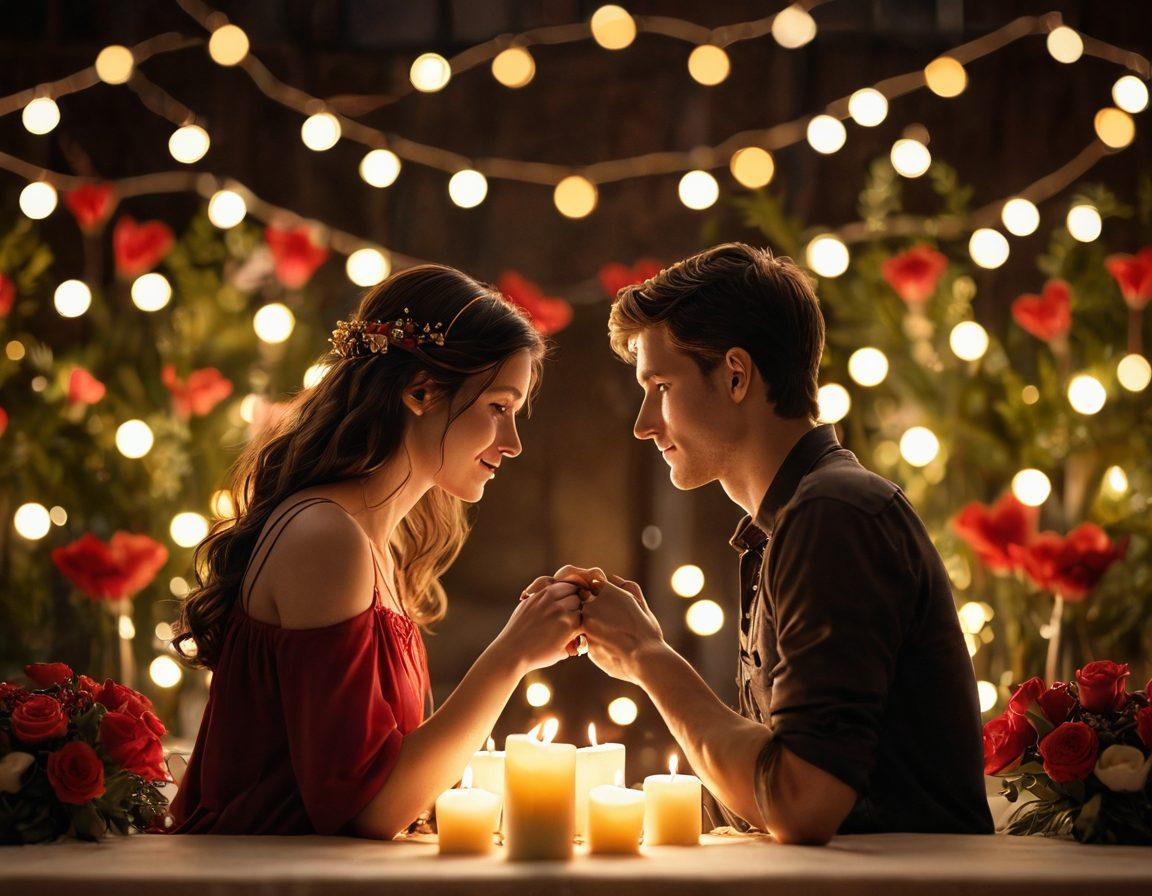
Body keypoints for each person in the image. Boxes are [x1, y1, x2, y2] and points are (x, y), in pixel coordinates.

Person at [530, 242, 993, 844]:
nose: (644, 423)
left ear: (736, 375)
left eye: (661, 386)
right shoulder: (789, 523)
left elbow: (803, 804)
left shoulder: (833, 515)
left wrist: (648, 657)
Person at [166, 264, 583, 838]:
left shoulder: (376, 544)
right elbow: (366, 811)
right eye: (498, 408)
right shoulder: (325, 538)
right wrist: (511, 655)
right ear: (419, 392)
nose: (512, 443)